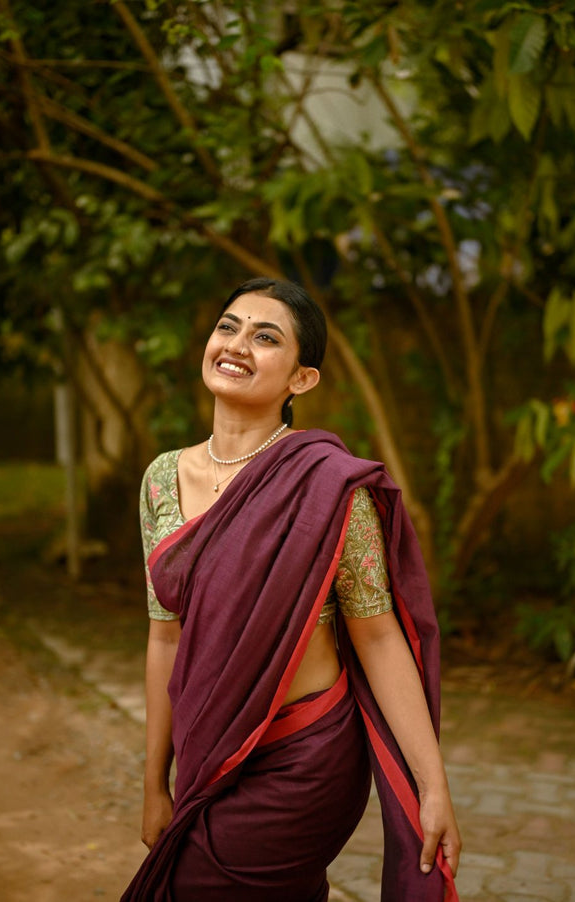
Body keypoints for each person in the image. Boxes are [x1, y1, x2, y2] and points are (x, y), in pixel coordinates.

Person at [122, 277, 461, 902]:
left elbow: (380, 636)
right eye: (229, 326)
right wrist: (154, 784)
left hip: (303, 756)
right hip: (210, 756)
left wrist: (432, 785)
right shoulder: (162, 479)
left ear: (301, 379)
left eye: (266, 336)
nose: (237, 344)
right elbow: (164, 639)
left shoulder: (329, 487)